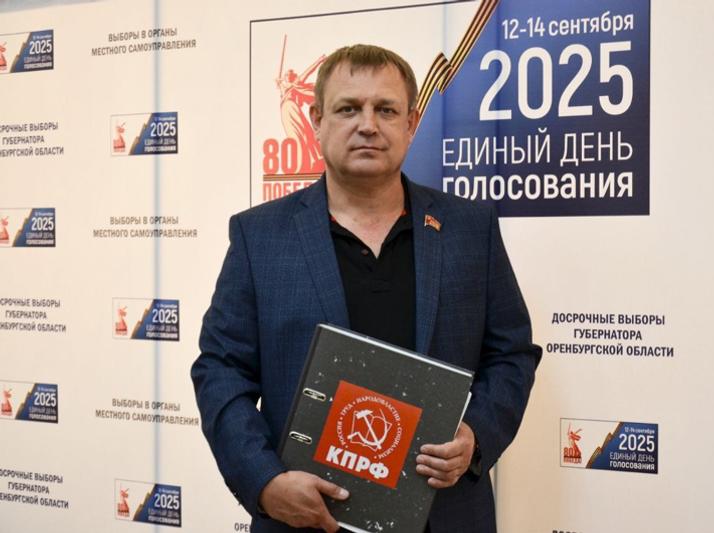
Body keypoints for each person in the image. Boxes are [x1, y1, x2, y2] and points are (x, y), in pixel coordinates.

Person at [192, 44, 541, 533]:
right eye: (348, 108)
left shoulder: (470, 228)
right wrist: (265, 482)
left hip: (444, 515)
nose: (368, 125)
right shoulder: (259, 237)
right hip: (307, 519)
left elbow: (512, 355)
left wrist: (475, 436)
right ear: (316, 121)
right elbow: (221, 370)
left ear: (411, 124)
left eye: (386, 110)